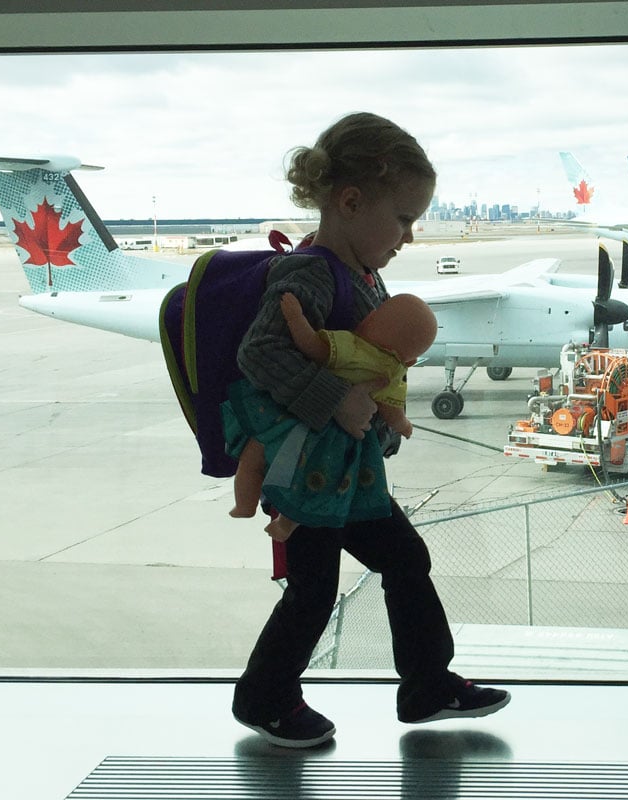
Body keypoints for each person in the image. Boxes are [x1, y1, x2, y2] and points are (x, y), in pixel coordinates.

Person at [229, 112, 510, 749]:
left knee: (404, 560)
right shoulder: (308, 273)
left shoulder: (359, 272)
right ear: (351, 201)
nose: (409, 236)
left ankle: (426, 686)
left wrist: (372, 419)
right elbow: (261, 354)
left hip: (345, 476)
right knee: (315, 589)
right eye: (405, 217)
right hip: (305, 477)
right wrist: (339, 402)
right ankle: (264, 697)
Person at [226, 292, 438, 541]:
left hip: (300, 419)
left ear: (369, 320)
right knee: (318, 486)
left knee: (255, 455)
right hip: (338, 442)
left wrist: (295, 318)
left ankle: (244, 504)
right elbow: (392, 412)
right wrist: (404, 426)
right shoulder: (392, 372)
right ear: (410, 361)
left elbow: (311, 345)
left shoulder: (350, 345)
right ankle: (286, 524)